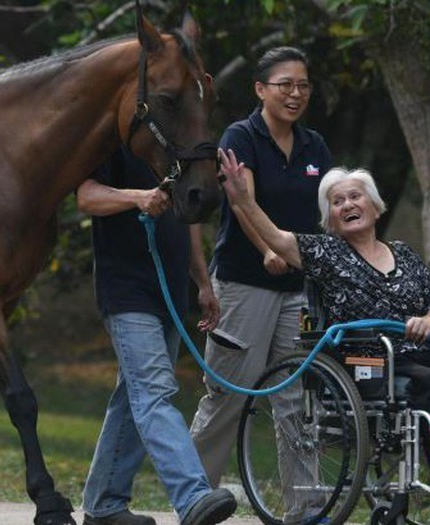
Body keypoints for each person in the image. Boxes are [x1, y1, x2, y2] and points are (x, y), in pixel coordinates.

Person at [217, 152, 430, 459]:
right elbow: (276, 238)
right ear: (330, 218)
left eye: (355, 196)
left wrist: (425, 319)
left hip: (416, 352)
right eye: (338, 201)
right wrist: (244, 200)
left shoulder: (404, 254)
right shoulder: (326, 253)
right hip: (367, 361)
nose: (348, 205)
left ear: (375, 206)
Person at [190, 46, 333, 489]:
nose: (295, 93)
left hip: (298, 290)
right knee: (229, 395)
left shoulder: (315, 145)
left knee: (295, 399)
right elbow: (241, 200)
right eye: (285, 84)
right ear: (260, 89)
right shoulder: (240, 137)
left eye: (303, 85)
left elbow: (327, 210)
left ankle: (306, 508)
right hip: (243, 285)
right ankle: (192, 494)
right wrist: (268, 250)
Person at [76, 145, 237, 525]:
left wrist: (202, 282)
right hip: (127, 291)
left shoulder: (177, 147)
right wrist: (136, 198)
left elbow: (189, 220)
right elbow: (85, 196)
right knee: (154, 392)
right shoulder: (114, 140)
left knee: (132, 397)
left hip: (171, 291)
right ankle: (192, 495)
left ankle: (103, 503)